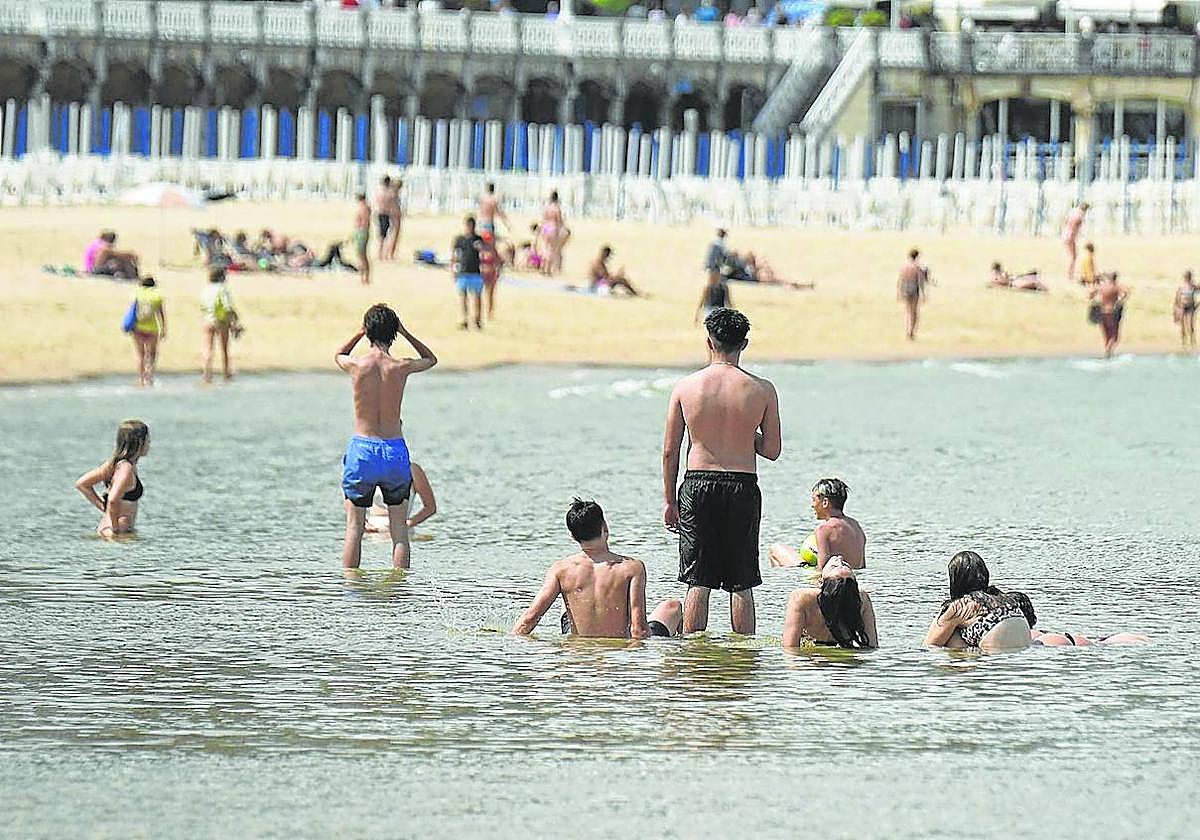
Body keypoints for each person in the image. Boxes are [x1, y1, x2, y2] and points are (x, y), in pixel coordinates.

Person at [662, 308, 781, 635]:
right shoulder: (762, 389)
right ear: (743, 343)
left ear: (708, 341)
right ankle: (744, 659)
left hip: (697, 483)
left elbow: (671, 450)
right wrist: (745, 433)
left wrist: (669, 501)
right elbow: (772, 450)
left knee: (697, 579)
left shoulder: (686, 387)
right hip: (742, 485)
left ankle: (694, 656)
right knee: (742, 581)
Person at [335, 304, 437, 569]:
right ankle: (399, 595)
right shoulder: (400, 366)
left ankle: (350, 591)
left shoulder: (356, 365)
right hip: (393, 450)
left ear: (367, 331)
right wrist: (404, 332)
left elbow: (339, 354)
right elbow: (430, 359)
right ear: (393, 333)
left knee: (354, 529)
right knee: (399, 534)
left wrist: (360, 332)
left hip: (363, 450)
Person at [513, 499, 683, 639]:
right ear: (605, 527)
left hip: (578, 645)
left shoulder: (561, 570)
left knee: (567, 604)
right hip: (617, 647)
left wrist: (509, 645)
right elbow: (638, 630)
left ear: (572, 536)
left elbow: (530, 618)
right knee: (673, 606)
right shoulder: (632, 568)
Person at [923, 551, 1031, 651]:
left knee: (949, 632)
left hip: (992, 656)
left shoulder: (960, 606)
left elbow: (930, 645)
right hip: (1024, 646)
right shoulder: (1004, 598)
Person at [768, 478, 866, 570]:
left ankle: (782, 585)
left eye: (814, 500)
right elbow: (862, 566)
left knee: (775, 549)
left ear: (825, 503)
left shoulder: (824, 529)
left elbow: (822, 568)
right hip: (851, 580)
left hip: (830, 580)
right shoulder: (855, 526)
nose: (812, 505)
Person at [75, 420, 150, 538]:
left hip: (113, 530)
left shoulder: (116, 464)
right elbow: (113, 499)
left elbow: (82, 484)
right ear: (140, 441)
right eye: (148, 440)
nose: (149, 444)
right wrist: (114, 528)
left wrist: (105, 510)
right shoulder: (126, 468)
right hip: (117, 531)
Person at [781, 556, 878, 649]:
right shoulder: (862, 599)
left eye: (834, 566)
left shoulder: (801, 598)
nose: (840, 558)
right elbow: (871, 646)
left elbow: (790, 648)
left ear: (821, 582)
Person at [363, 462, 437, 534]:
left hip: (403, 530)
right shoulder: (368, 468)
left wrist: (408, 523)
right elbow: (353, 501)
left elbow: (430, 507)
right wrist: (364, 524)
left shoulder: (412, 470)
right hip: (373, 530)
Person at [201, 267, 241, 383]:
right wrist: (235, 321)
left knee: (208, 349)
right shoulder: (223, 289)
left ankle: (207, 375)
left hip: (207, 319)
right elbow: (228, 307)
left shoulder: (206, 289)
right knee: (224, 348)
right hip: (221, 320)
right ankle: (226, 373)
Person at [130, 276, 166, 387]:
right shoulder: (157, 296)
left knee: (141, 355)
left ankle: (141, 380)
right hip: (152, 328)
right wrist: (163, 327)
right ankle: (150, 378)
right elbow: (160, 313)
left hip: (138, 327)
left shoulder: (138, 294)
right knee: (152, 354)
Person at [451, 215, 485, 330]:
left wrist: (481, 247)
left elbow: (484, 253)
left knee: (477, 298)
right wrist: (453, 270)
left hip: (475, 272)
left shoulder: (478, 239)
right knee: (463, 298)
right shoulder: (460, 240)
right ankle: (464, 320)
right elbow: (455, 255)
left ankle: (477, 320)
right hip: (463, 272)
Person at [1088, 272, 1130, 358]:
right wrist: (1121, 301)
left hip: (1102, 312)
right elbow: (1126, 292)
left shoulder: (1102, 287)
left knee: (1106, 335)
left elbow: (1091, 293)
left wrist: (1094, 300)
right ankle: (1108, 352)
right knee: (1114, 336)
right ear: (1115, 279)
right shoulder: (1116, 287)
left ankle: (1108, 353)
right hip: (1112, 312)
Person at [897, 248, 928, 341]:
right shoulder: (918, 268)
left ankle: (907, 331)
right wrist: (923, 294)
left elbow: (900, 280)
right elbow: (920, 282)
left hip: (905, 289)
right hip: (914, 289)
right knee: (914, 312)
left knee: (908, 311)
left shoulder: (904, 267)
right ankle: (911, 332)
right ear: (917, 256)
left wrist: (899, 292)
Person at [540, 190, 566, 275]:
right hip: (553, 227)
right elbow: (559, 220)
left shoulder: (547, 207)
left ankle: (543, 267)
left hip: (546, 227)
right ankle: (548, 269)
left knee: (545, 247)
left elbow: (543, 218)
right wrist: (562, 228)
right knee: (551, 249)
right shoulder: (557, 208)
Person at [1062, 202, 1089, 282]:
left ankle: (1070, 274)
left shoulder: (1072, 212)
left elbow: (1065, 222)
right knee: (1073, 257)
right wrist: (1073, 237)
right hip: (1070, 236)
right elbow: (1074, 227)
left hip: (1066, 234)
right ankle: (1069, 275)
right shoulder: (1079, 216)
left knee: (1073, 256)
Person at [479, 231, 501, 319]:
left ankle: (490, 312)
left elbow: (498, 262)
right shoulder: (480, 250)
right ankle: (481, 311)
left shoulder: (493, 250)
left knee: (490, 294)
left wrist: (497, 272)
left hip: (491, 274)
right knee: (479, 294)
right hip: (482, 273)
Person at [374, 176, 396, 261]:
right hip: (386, 213)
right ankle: (381, 254)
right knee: (384, 235)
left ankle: (380, 253)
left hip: (380, 213)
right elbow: (392, 203)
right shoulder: (389, 192)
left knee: (382, 235)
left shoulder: (379, 191)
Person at [1173, 270, 1197, 350]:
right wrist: (1176, 309)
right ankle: (1184, 342)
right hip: (1182, 307)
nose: (1187, 278)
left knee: (1190, 325)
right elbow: (1177, 298)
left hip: (1190, 307)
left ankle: (1192, 342)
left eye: (1188, 277)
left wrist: (1197, 305)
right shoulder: (1181, 287)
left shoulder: (1193, 287)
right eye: (1186, 277)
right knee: (1183, 326)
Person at [353, 193, 371, 285]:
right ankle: (362, 276)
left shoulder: (364, 208)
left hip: (362, 232)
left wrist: (360, 232)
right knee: (359, 255)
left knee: (362, 255)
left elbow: (364, 222)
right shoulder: (363, 207)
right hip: (360, 232)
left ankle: (365, 277)